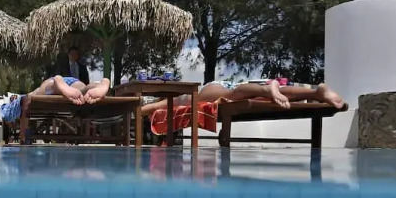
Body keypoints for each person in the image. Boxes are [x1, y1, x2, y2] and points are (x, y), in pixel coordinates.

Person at [141, 79, 345, 116]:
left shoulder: (180, 99)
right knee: (277, 95)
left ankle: (267, 89)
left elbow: (147, 109)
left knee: (233, 94)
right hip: (241, 85)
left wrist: (138, 112)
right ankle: (316, 93)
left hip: (212, 88)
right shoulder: (181, 99)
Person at [1, 75, 111, 122]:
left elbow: (27, 98)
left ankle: (58, 81)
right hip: (74, 83)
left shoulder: (22, 98)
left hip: (54, 83)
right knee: (84, 90)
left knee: (38, 93)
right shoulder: (20, 98)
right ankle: (102, 83)